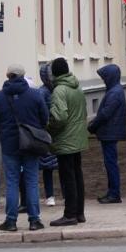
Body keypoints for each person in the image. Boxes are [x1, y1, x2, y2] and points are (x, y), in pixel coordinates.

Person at [0, 63, 49, 232]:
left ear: (7, 76)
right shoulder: (35, 95)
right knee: (32, 181)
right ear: (23, 75)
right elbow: (45, 118)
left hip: (9, 145)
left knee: (12, 182)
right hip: (31, 143)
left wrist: (6, 129)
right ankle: (34, 220)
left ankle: (11, 221)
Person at [47, 58, 89, 226]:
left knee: (68, 177)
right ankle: (79, 212)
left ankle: (70, 214)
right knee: (77, 175)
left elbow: (60, 117)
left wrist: (49, 128)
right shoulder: (76, 87)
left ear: (54, 73)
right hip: (78, 137)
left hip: (65, 139)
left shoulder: (59, 90)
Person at [88, 64, 126, 204]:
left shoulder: (114, 92)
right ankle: (112, 192)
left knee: (111, 163)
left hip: (110, 132)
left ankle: (114, 193)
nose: (103, 80)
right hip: (110, 131)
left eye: (105, 77)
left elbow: (105, 114)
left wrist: (93, 125)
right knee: (110, 163)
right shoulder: (115, 90)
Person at [35, 65, 57, 208]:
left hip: (56, 133)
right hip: (47, 133)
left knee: (57, 166)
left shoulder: (56, 91)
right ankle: (49, 195)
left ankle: (60, 196)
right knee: (47, 166)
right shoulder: (42, 93)